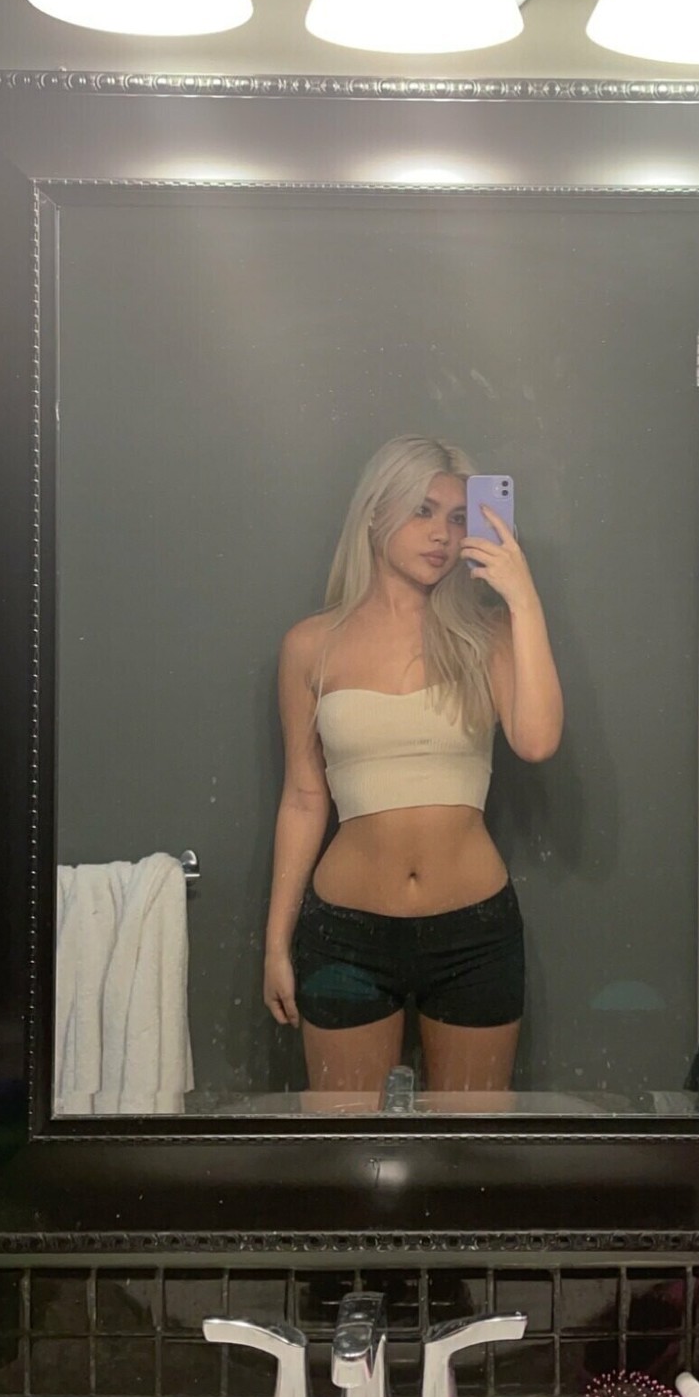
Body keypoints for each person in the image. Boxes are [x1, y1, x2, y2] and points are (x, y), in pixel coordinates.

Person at [263, 434, 564, 1097]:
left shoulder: (488, 634)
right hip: (345, 934)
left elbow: (537, 740)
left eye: (457, 518)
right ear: (375, 513)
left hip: (474, 933)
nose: (442, 535)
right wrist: (276, 943)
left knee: (471, 1145)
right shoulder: (310, 644)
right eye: (422, 510)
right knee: (346, 1144)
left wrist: (523, 598)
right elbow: (304, 799)